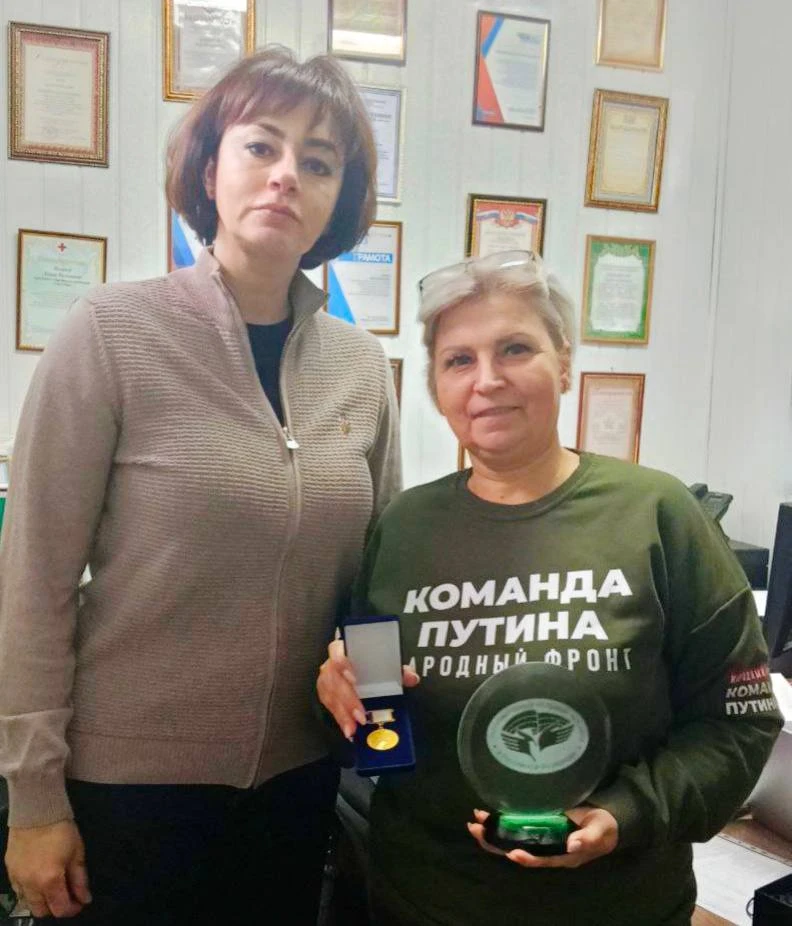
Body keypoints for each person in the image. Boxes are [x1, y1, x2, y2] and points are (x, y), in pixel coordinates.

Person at [0, 46, 400, 924]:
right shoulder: (110, 332)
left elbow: (376, 586)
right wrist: (32, 800)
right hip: (127, 795)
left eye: (319, 162)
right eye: (262, 146)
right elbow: (32, 583)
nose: (287, 174)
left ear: (339, 199)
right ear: (210, 169)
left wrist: (383, 746)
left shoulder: (363, 368)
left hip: (297, 789)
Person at [317, 250, 782, 926]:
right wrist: (339, 692)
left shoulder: (657, 514)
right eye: (459, 360)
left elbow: (740, 721)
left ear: (563, 363)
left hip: (618, 908)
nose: (488, 380)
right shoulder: (404, 528)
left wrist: (625, 815)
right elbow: (375, 725)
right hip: (422, 902)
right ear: (436, 386)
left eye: (515, 348)